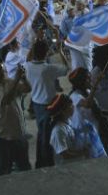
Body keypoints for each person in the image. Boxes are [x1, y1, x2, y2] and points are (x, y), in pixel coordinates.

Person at [25, 39, 69, 168]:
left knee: (41, 134)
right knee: (47, 136)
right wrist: (60, 51)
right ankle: (47, 163)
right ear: (46, 53)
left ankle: (40, 162)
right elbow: (66, 69)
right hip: (48, 105)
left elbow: (28, 58)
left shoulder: (28, 66)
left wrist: (33, 45)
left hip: (36, 104)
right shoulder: (47, 68)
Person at [0, 62, 32, 176]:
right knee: (1, 173)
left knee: (25, 169)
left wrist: (23, 79)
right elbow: (5, 101)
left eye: (2, 67)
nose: (3, 69)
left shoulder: (9, 81)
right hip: (1, 137)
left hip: (18, 133)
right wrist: (16, 79)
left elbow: (27, 89)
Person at [47, 94, 88, 166]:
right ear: (63, 111)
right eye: (70, 106)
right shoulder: (58, 131)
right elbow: (65, 154)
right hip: (66, 168)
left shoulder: (68, 121)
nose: (73, 107)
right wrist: (82, 152)